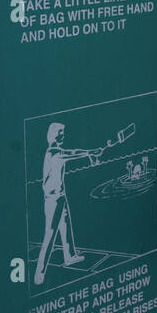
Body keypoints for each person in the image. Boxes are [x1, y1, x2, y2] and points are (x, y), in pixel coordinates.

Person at [33, 122, 102, 286]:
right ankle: (40, 272)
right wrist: (89, 152)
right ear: (52, 135)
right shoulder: (54, 152)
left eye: (63, 132)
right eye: (59, 133)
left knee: (65, 226)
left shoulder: (56, 151)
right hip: (53, 199)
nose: (62, 135)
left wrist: (90, 154)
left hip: (60, 196)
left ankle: (70, 256)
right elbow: (71, 153)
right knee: (50, 234)